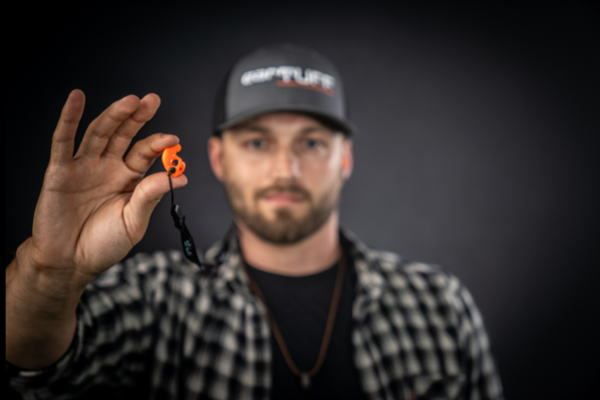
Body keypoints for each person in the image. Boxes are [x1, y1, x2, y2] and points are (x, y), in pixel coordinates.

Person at [6, 43, 503, 400]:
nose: (285, 168)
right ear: (218, 159)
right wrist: (50, 277)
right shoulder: (152, 297)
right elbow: (37, 373)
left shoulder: (439, 303)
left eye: (311, 142)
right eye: (258, 142)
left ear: (345, 158)